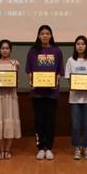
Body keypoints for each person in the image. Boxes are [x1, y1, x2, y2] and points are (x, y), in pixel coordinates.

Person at [25, 24, 64, 160]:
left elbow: (59, 71)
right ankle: (41, 148)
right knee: (39, 121)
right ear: (38, 36)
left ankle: (49, 148)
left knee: (50, 121)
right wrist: (32, 81)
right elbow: (29, 70)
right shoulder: (33, 51)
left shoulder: (57, 51)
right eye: (42, 33)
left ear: (51, 35)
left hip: (52, 94)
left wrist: (56, 82)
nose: (45, 36)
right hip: (37, 93)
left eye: (47, 33)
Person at [64, 35, 87, 160]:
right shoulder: (70, 60)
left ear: (86, 46)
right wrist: (75, 85)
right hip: (74, 98)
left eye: (83, 44)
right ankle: (77, 148)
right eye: (78, 44)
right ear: (75, 46)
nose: (80, 46)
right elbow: (68, 78)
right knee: (75, 125)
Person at [0, 39, 22, 159]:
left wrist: (13, 82)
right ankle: (1, 150)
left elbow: (16, 81)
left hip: (10, 96)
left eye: (7, 48)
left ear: (10, 50)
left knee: (9, 122)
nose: (5, 50)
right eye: (3, 48)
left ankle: (7, 149)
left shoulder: (15, 63)